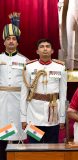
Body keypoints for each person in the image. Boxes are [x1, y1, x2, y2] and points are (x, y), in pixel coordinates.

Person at [20, 38, 67, 143]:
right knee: (34, 147)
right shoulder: (29, 67)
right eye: (42, 47)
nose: (45, 49)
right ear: (37, 51)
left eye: (47, 46)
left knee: (52, 147)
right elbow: (24, 94)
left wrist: (62, 118)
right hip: (33, 115)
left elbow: (63, 95)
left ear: (52, 51)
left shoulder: (60, 67)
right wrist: (23, 118)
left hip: (53, 116)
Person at [0, 13, 28, 160]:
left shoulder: (25, 61)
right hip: (2, 102)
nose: (11, 41)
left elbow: (28, 85)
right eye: (8, 39)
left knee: (18, 135)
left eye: (14, 39)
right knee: (2, 134)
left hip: (18, 101)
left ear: (17, 42)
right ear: (4, 42)